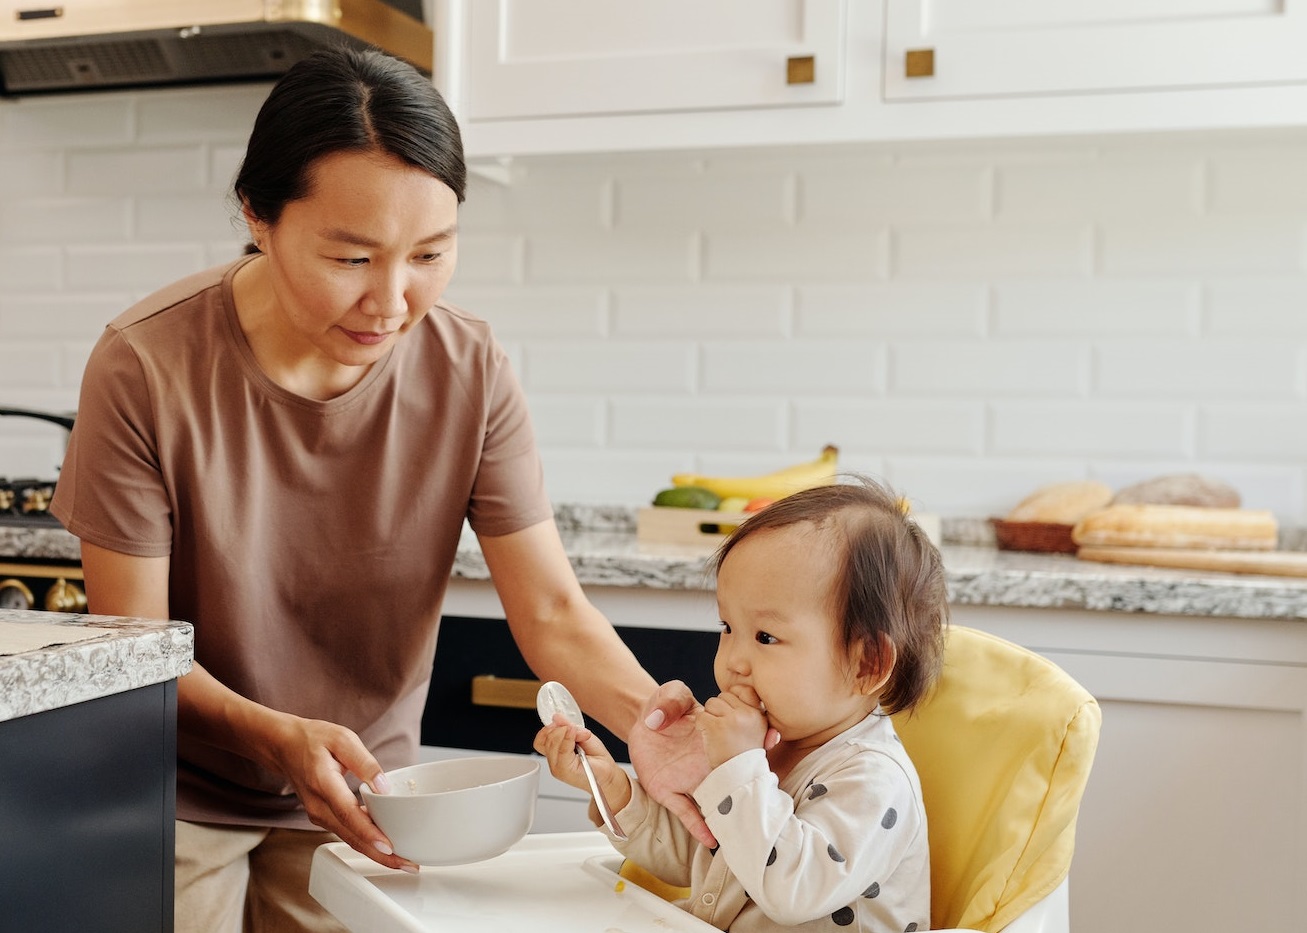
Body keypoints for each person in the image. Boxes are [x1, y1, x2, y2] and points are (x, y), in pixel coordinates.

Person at [49, 46, 695, 933]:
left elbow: (550, 610)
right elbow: (137, 650)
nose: (391, 301)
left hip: (374, 794)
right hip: (173, 792)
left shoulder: (470, 369)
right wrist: (277, 735)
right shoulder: (145, 364)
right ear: (258, 216)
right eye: (351, 257)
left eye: (430, 252)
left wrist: (660, 730)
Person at [536, 479, 948, 932]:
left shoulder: (872, 780)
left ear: (867, 663)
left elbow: (792, 890)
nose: (732, 660)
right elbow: (705, 861)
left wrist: (737, 769)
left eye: (765, 637)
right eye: (727, 627)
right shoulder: (763, 750)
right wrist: (614, 790)